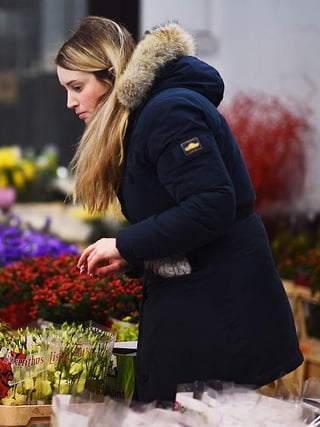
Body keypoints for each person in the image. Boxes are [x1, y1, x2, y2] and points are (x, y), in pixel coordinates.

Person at [57, 16, 303, 404]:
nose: (71, 102)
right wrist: (133, 258)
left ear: (111, 75)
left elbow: (211, 204)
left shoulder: (167, 113)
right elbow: (180, 211)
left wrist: (126, 246)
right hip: (201, 305)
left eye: (77, 87)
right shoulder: (143, 118)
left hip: (222, 312)